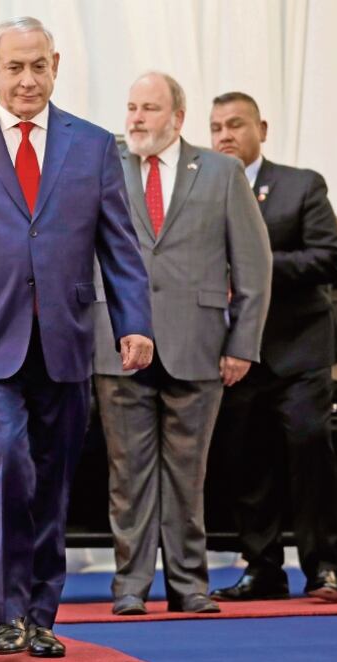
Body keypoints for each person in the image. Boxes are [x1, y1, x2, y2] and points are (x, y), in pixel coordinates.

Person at [0, 17, 154, 658]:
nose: (27, 79)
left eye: (38, 65)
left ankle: (41, 616)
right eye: (13, 67)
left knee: (53, 480)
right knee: (6, 458)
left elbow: (120, 249)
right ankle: (6, 609)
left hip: (66, 339)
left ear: (56, 65)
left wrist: (134, 325)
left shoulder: (94, 146)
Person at [91, 73, 272, 617]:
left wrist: (242, 343)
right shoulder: (103, 168)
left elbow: (254, 265)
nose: (137, 118)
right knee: (126, 475)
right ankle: (130, 585)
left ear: (178, 116)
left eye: (149, 108)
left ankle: (189, 583)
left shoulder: (221, 171)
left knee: (189, 475)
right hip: (118, 344)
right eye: (131, 107)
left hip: (197, 345)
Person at [208, 91, 337, 603]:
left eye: (236, 124)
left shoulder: (300, 185)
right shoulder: (203, 190)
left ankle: (323, 567)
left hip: (298, 351)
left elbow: (328, 258)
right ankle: (262, 568)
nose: (225, 135)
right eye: (217, 126)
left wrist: (252, 272)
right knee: (247, 464)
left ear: (261, 130)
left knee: (309, 453)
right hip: (236, 353)